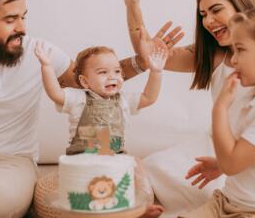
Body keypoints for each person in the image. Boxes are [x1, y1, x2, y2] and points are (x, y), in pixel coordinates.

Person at [0, 0, 163, 218]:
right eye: (10, 20)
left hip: (9, 163)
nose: (22, 27)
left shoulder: (39, 52)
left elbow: (93, 80)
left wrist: (143, 61)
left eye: (23, 17)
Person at [123, 0, 255, 214]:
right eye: (202, 14)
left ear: (241, 6)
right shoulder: (212, 54)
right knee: (153, 168)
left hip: (253, 159)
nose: (208, 20)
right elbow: (149, 55)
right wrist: (132, 6)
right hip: (219, 150)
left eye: (216, 9)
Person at [35, 43, 168, 217]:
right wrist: (46, 66)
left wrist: (156, 72)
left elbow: (149, 97)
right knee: (68, 186)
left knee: (138, 167)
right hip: (83, 157)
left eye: (117, 71)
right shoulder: (78, 98)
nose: (112, 76)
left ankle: (140, 205)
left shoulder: (123, 100)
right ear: (85, 81)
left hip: (115, 157)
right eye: (103, 72)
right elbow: (55, 93)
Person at [181, 0, 255, 217]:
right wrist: (220, 163)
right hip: (228, 201)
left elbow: (232, 164)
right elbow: (251, 154)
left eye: (241, 50)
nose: (234, 60)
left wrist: (219, 108)